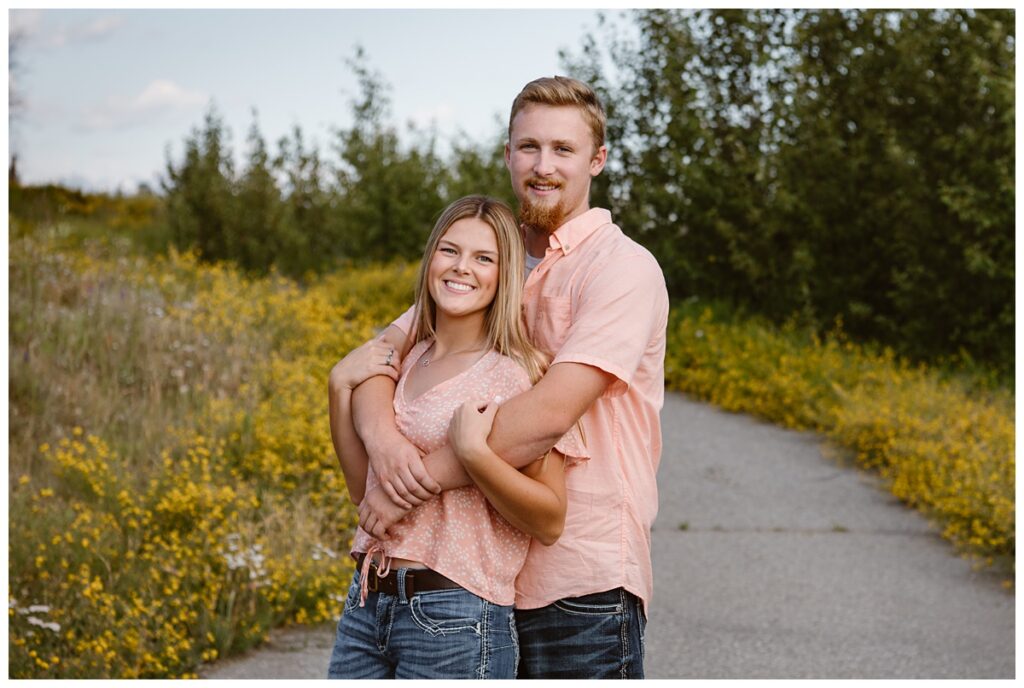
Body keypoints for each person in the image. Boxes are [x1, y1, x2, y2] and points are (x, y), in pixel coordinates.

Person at [348, 76, 669, 679]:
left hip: (579, 581)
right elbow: (379, 357)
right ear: (507, 154)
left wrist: (401, 487)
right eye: (529, 147)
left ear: (597, 160)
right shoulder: (492, 262)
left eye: (563, 150)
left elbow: (549, 413)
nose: (543, 166)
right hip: (480, 581)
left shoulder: (623, 269)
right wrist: (385, 444)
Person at [326, 195, 584, 679]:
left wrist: (474, 456)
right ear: (431, 260)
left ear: (503, 275)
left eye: (483, 258)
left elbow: (550, 520)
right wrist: (337, 388)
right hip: (368, 602)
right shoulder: (403, 361)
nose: (461, 268)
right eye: (450, 251)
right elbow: (364, 493)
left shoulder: (514, 375)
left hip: (455, 614)